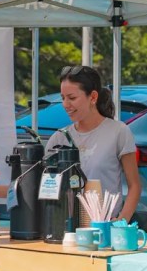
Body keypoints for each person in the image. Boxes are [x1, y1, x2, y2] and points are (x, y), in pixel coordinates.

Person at [45, 65, 141, 222]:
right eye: (63, 98)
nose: (65, 104)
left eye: (72, 98)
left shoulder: (118, 132)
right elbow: (45, 187)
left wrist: (121, 221)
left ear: (93, 97)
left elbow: (135, 186)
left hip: (104, 227)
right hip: (65, 228)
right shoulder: (59, 138)